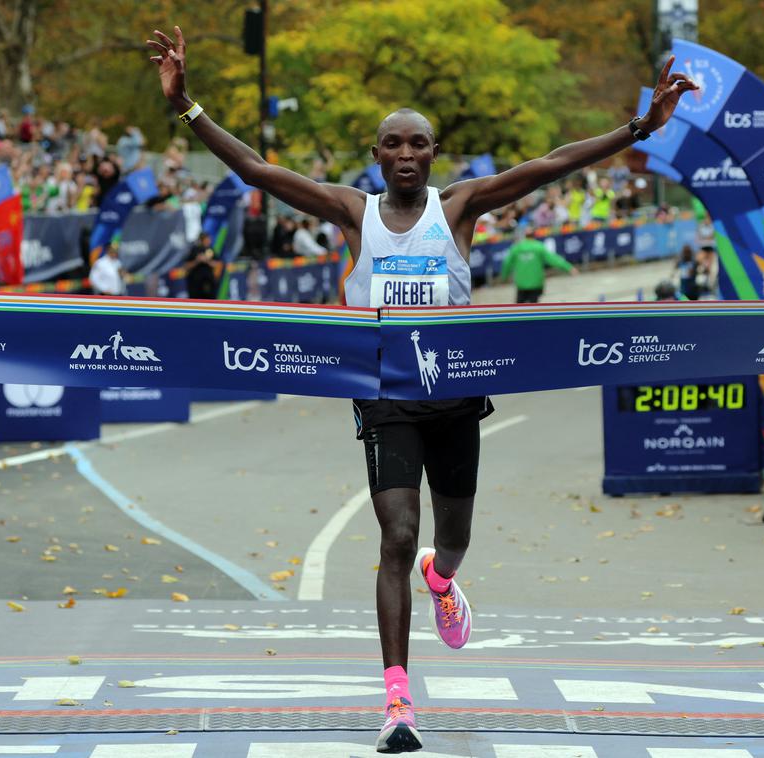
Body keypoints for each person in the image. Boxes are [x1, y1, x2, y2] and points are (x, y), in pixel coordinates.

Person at [147, 25, 695, 753]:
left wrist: (639, 126)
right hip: (386, 398)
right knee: (397, 536)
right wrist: (185, 106)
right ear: (376, 156)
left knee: (450, 540)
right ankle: (398, 702)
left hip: (457, 396)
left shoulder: (459, 208)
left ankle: (445, 579)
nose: (407, 154)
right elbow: (255, 169)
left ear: (433, 154)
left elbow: (553, 164)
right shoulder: (352, 212)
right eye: (393, 144)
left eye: (419, 143)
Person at [498, 226, 577, 303]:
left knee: (519, 307)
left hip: (521, 283)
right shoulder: (539, 247)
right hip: (536, 283)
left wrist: (504, 277)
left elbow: (507, 263)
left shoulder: (516, 248)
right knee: (533, 307)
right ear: (535, 235)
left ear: (525, 235)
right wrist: (569, 268)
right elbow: (554, 259)